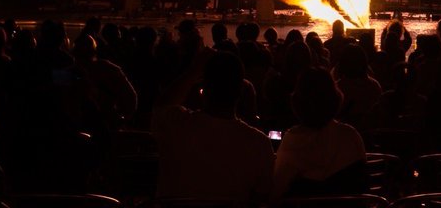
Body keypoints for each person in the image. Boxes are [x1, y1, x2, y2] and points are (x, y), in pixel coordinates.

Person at [152, 49, 274, 203]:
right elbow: (261, 197)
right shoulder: (260, 144)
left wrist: (193, 71)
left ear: (203, 88)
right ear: (240, 90)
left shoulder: (175, 124)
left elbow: (162, 105)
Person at [272, 66, 367, 202]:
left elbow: (275, 192)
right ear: (334, 98)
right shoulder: (350, 136)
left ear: (297, 102)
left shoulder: (293, 141)